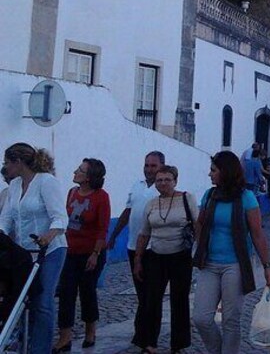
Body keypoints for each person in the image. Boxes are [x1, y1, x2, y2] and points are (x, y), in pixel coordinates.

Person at [192, 151, 270, 354]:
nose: (209, 174)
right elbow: (200, 224)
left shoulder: (246, 198)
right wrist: (200, 244)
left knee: (231, 319)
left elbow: (257, 234)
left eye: (213, 170)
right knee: (201, 318)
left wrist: (267, 266)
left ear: (225, 172)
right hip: (209, 263)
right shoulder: (210, 195)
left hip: (235, 265)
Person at [0, 143, 68, 354]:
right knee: (19, 298)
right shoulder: (14, 185)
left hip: (50, 250)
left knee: (42, 300)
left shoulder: (46, 182)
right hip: (22, 252)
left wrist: (48, 235)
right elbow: (7, 218)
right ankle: (20, 342)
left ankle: (40, 349)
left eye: (7, 163)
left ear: (18, 162)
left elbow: (60, 216)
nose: (5, 167)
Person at [133, 165, 199, 353]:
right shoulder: (152, 204)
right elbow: (144, 233)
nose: (162, 183)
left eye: (167, 179)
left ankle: (178, 344)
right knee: (151, 301)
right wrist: (138, 259)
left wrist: (201, 251)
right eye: (159, 179)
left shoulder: (187, 198)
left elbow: (197, 224)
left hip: (180, 256)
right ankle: (149, 343)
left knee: (180, 300)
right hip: (156, 256)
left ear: (175, 181)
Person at [106, 150, 162, 349]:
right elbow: (128, 211)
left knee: (152, 296)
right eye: (147, 165)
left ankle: (149, 339)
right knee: (142, 294)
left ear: (161, 167)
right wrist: (113, 236)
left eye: (153, 166)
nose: (149, 169)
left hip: (154, 249)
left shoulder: (162, 189)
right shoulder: (137, 186)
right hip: (133, 247)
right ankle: (141, 334)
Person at [55, 158, 110, 352]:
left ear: (88, 177)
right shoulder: (72, 193)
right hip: (70, 251)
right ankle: (65, 337)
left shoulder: (101, 197)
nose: (75, 172)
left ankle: (90, 331)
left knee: (87, 291)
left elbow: (102, 229)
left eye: (79, 170)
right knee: (66, 293)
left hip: (90, 252)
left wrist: (95, 254)